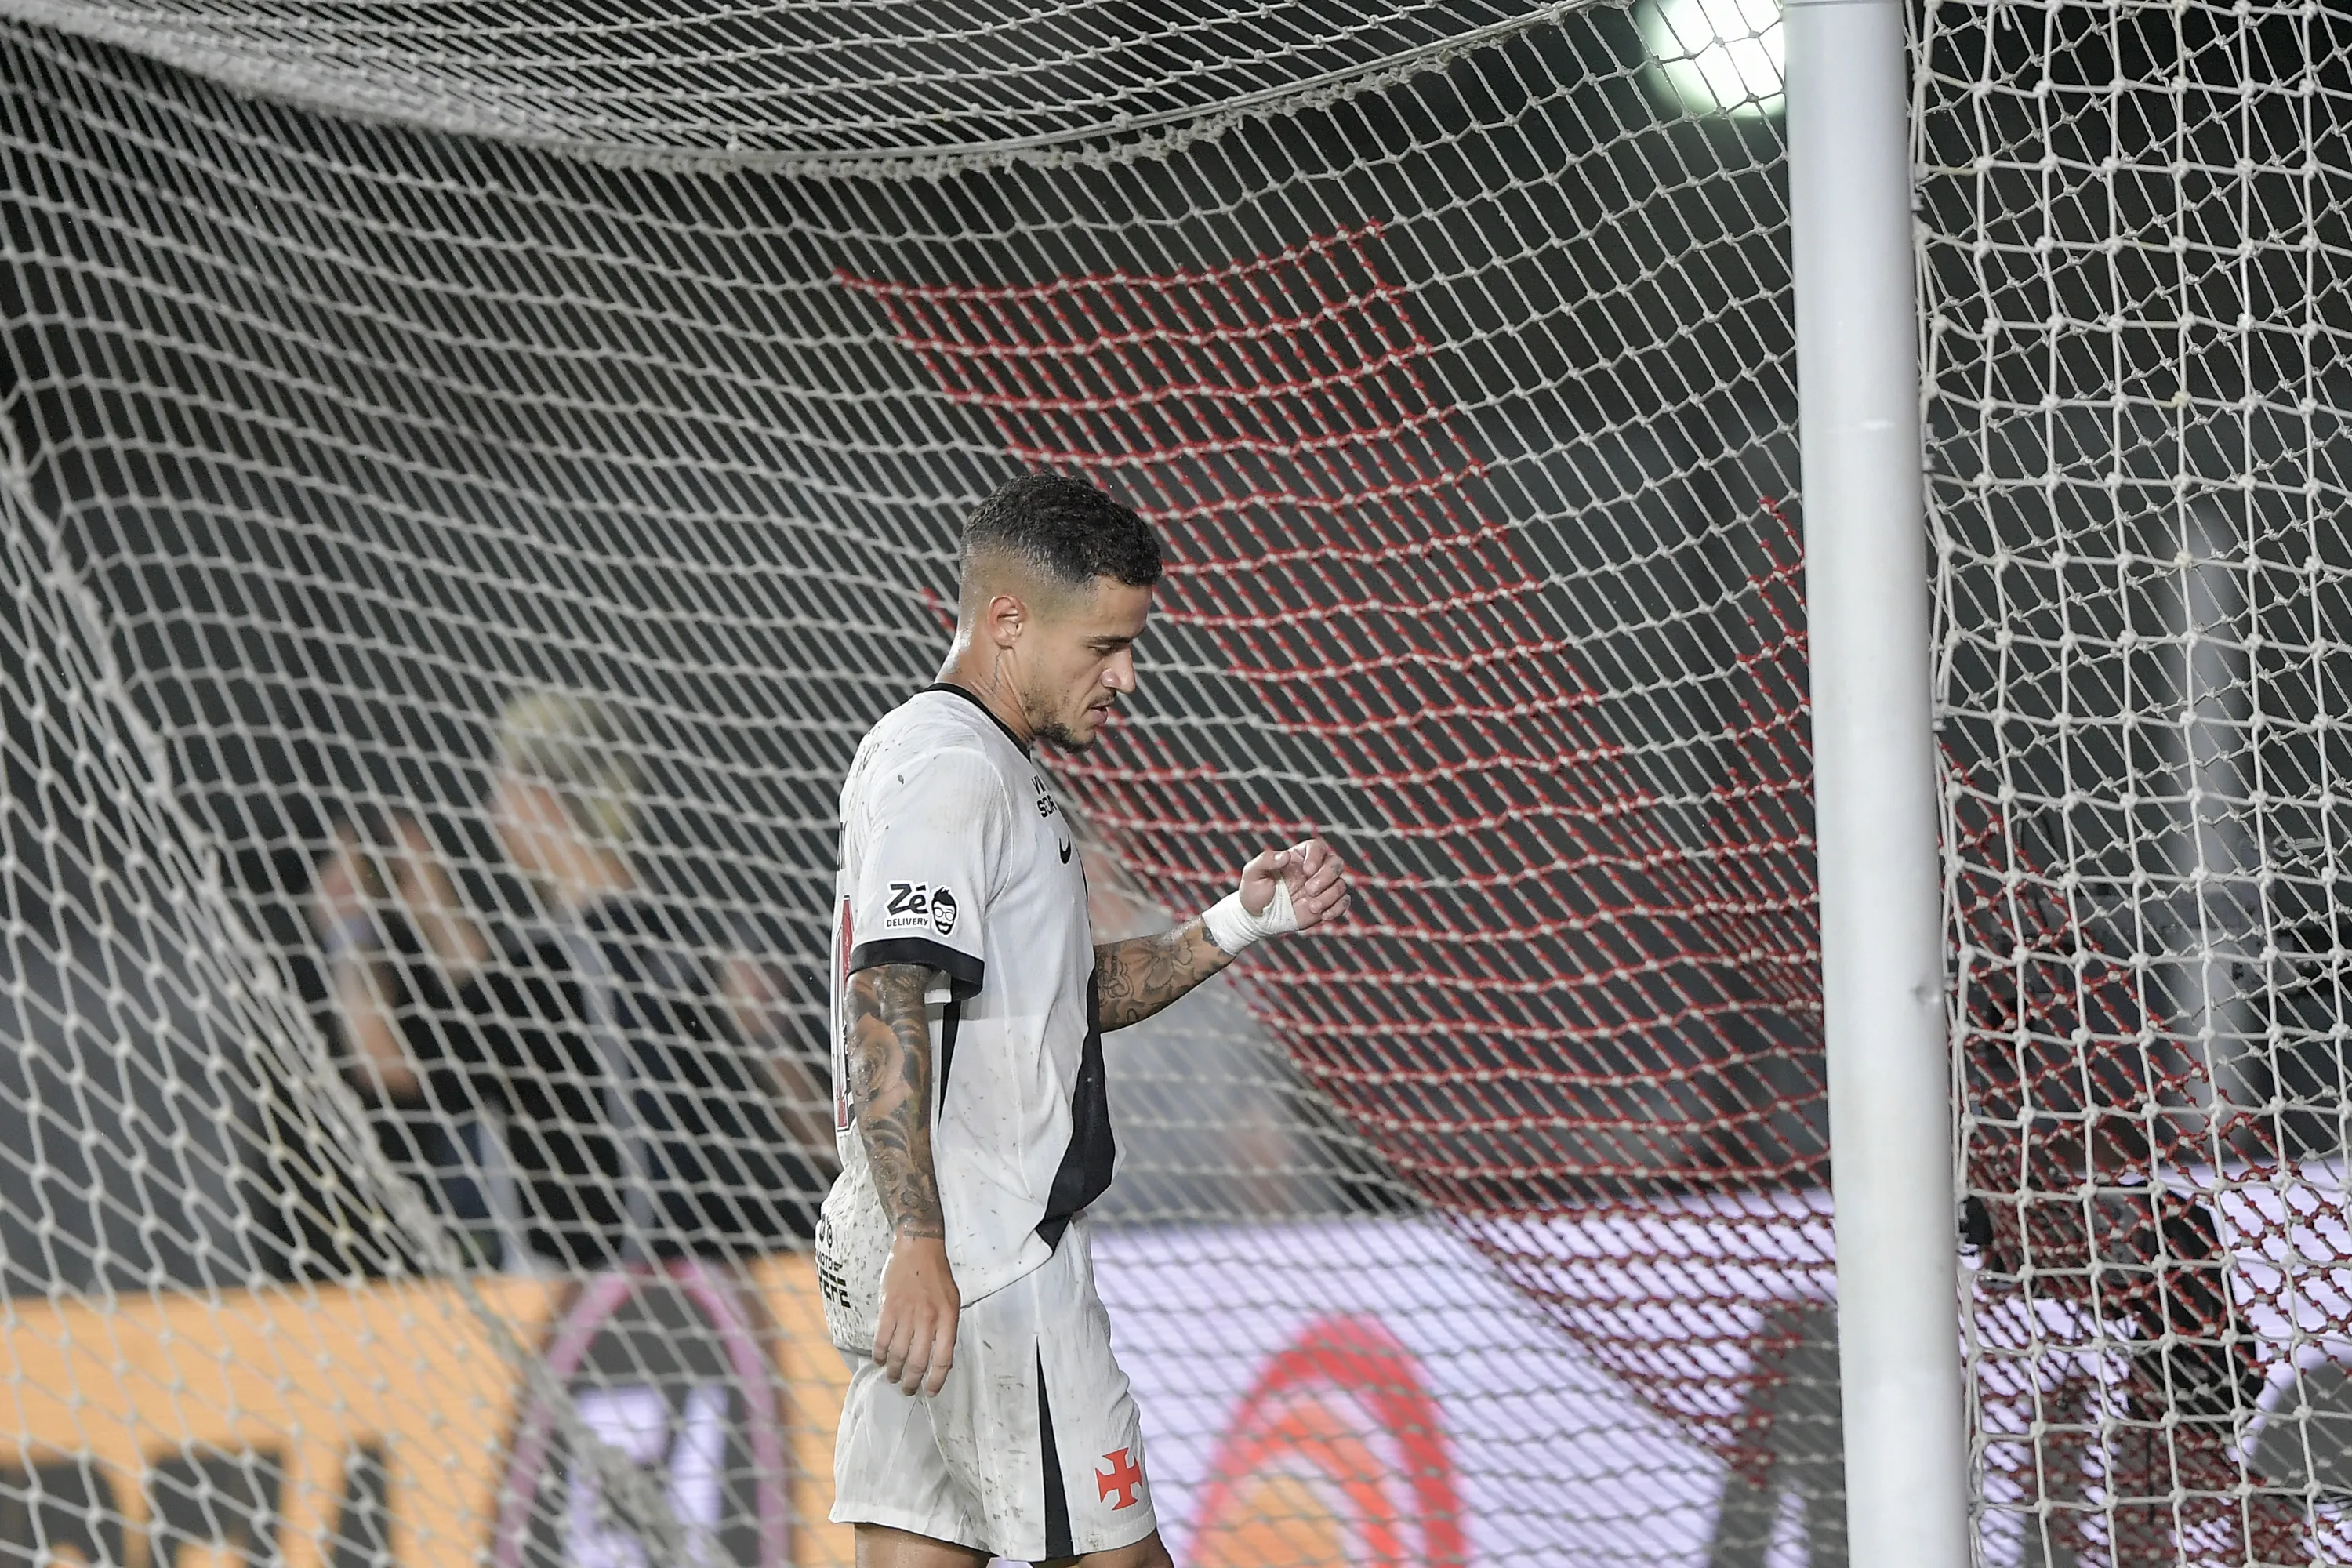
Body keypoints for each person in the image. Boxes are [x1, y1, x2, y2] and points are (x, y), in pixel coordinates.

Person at [817, 472, 1352, 1567]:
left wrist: (1237, 922)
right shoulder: (953, 766)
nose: (1127, 677)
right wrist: (922, 1241)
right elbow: (888, 995)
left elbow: (1061, 995)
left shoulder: (982, 766)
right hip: (992, 1268)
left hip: (942, 1262)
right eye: (1104, 646)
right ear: (1009, 620)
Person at [314, 691, 828, 1272]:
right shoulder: (700, 939)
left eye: (500, 791)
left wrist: (349, 930)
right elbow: (811, 1124)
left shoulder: (553, 971)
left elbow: (387, 1062)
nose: (492, 814)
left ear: (537, 800)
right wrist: (436, 911)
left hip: (590, 1303)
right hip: (731, 1283)